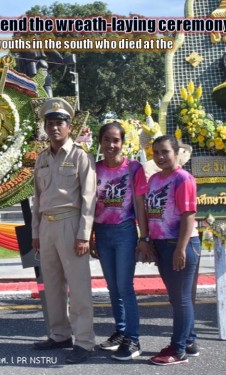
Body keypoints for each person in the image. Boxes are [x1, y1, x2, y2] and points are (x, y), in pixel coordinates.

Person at [31, 98, 97, 364]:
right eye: (50, 124)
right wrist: (35, 232)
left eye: (59, 123)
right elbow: (37, 197)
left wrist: (84, 234)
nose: (54, 128)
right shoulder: (42, 159)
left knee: (79, 287)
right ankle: (59, 335)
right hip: (47, 225)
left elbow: (89, 198)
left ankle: (84, 341)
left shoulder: (81, 156)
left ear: (69, 127)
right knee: (53, 285)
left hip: (71, 224)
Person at [93, 122, 154, 361]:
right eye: (106, 139)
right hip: (102, 232)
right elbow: (89, 204)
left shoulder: (133, 168)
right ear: (100, 141)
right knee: (112, 287)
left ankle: (133, 338)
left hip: (125, 231)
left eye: (115, 140)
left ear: (122, 142)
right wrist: (90, 236)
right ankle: (120, 331)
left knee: (125, 287)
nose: (111, 145)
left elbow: (140, 205)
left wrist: (144, 236)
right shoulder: (95, 168)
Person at [146, 135, 201, 366]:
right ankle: (189, 340)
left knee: (181, 300)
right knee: (178, 298)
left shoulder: (183, 179)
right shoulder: (155, 179)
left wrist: (180, 248)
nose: (160, 157)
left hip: (179, 244)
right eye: (156, 152)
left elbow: (189, 216)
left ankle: (177, 350)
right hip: (162, 245)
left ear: (176, 153)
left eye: (165, 152)